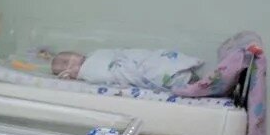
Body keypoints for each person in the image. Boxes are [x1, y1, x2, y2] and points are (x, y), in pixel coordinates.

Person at [50, 47, 203, 91]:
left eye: (66, 60)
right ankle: (186, 80)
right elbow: (106, 76)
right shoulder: (88, 73)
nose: (68, 65)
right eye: (64, 67)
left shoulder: (97, 54)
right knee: (153, 73)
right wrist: (75, 76)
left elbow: (118, 53)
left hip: (133, 60)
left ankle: (182, 71)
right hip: (126, 70)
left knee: (155, 60)